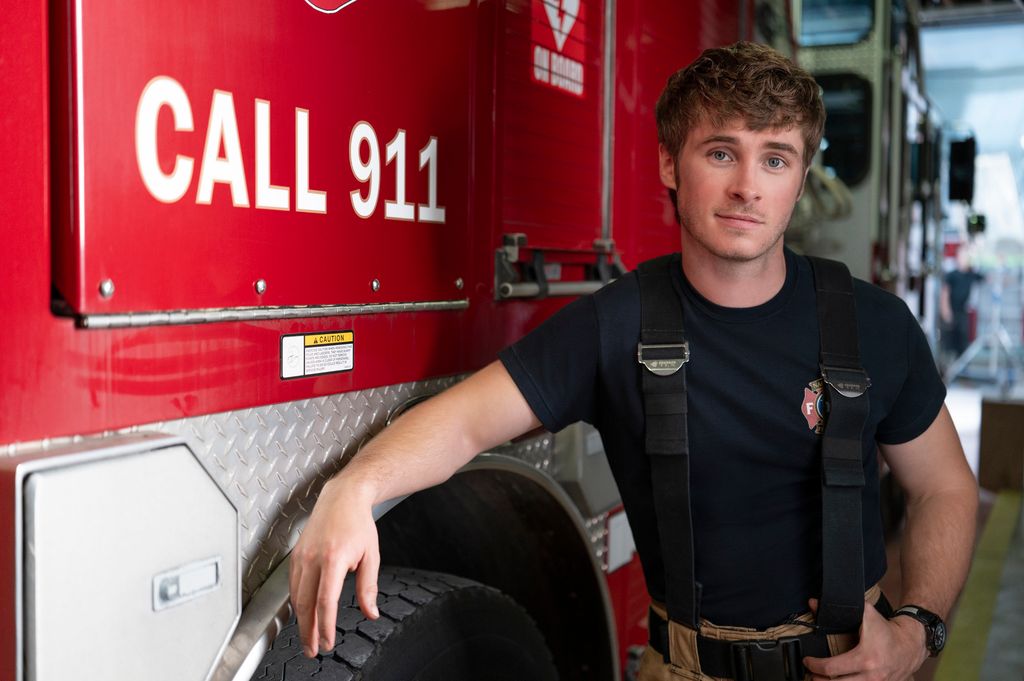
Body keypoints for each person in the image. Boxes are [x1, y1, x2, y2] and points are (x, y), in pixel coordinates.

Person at [289, 42, 978, 681]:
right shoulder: (616, 324)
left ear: (800, 179)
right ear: (669, 164)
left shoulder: (872, 324)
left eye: (775, 158)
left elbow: (943, 485)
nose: (748, 186)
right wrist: (354, 487)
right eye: (720, 153)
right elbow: (465, 423)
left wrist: (916, 630)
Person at [940, 248, 984, 359]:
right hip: (951, 311)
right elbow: (945, 293)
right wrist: (946, 311)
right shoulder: (952, 275)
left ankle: (961, 368)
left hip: (963, 312)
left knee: (963, 341)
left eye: (966, 258)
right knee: (948, 342)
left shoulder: (971, 275)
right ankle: (948, 368)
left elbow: (987, 278)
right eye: (962, 257)